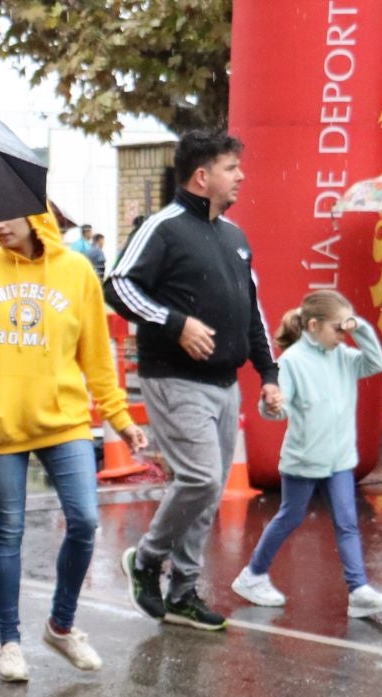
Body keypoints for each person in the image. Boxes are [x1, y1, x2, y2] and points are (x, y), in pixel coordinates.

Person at [0, 212, 144, 682]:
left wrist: (121, 419)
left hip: (64, 421)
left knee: (85, 520)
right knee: (8, 531)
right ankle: (9, 641)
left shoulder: (76, 273)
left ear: (37, 216)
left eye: (10, 215)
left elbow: (96, 359)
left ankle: (61, 624)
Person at [107, 129, 284, 632]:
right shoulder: (163, 227)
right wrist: (176, 323)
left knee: (207, 491)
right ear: (203, 176)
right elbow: (118, 285)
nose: (241, 177)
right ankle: (145, 559)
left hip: (225, 383)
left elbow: (253, 314)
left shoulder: (235, 238)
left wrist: (268, 374)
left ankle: (183, 591)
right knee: (203, 478)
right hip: (173, 378)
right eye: (232, 168)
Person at [230, 290, 382, 618]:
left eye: (345, 329)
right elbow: (276, 410)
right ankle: (253, 575)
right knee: (289, 517)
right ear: (313, 326)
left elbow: (376, 362)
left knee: (347, 523)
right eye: (338, 328)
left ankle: (359, 590)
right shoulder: (292, 361)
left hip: (340, 459)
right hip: (304, 459)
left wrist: (357, 325)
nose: (343, 334)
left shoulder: (346, 357)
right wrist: (271, 404)